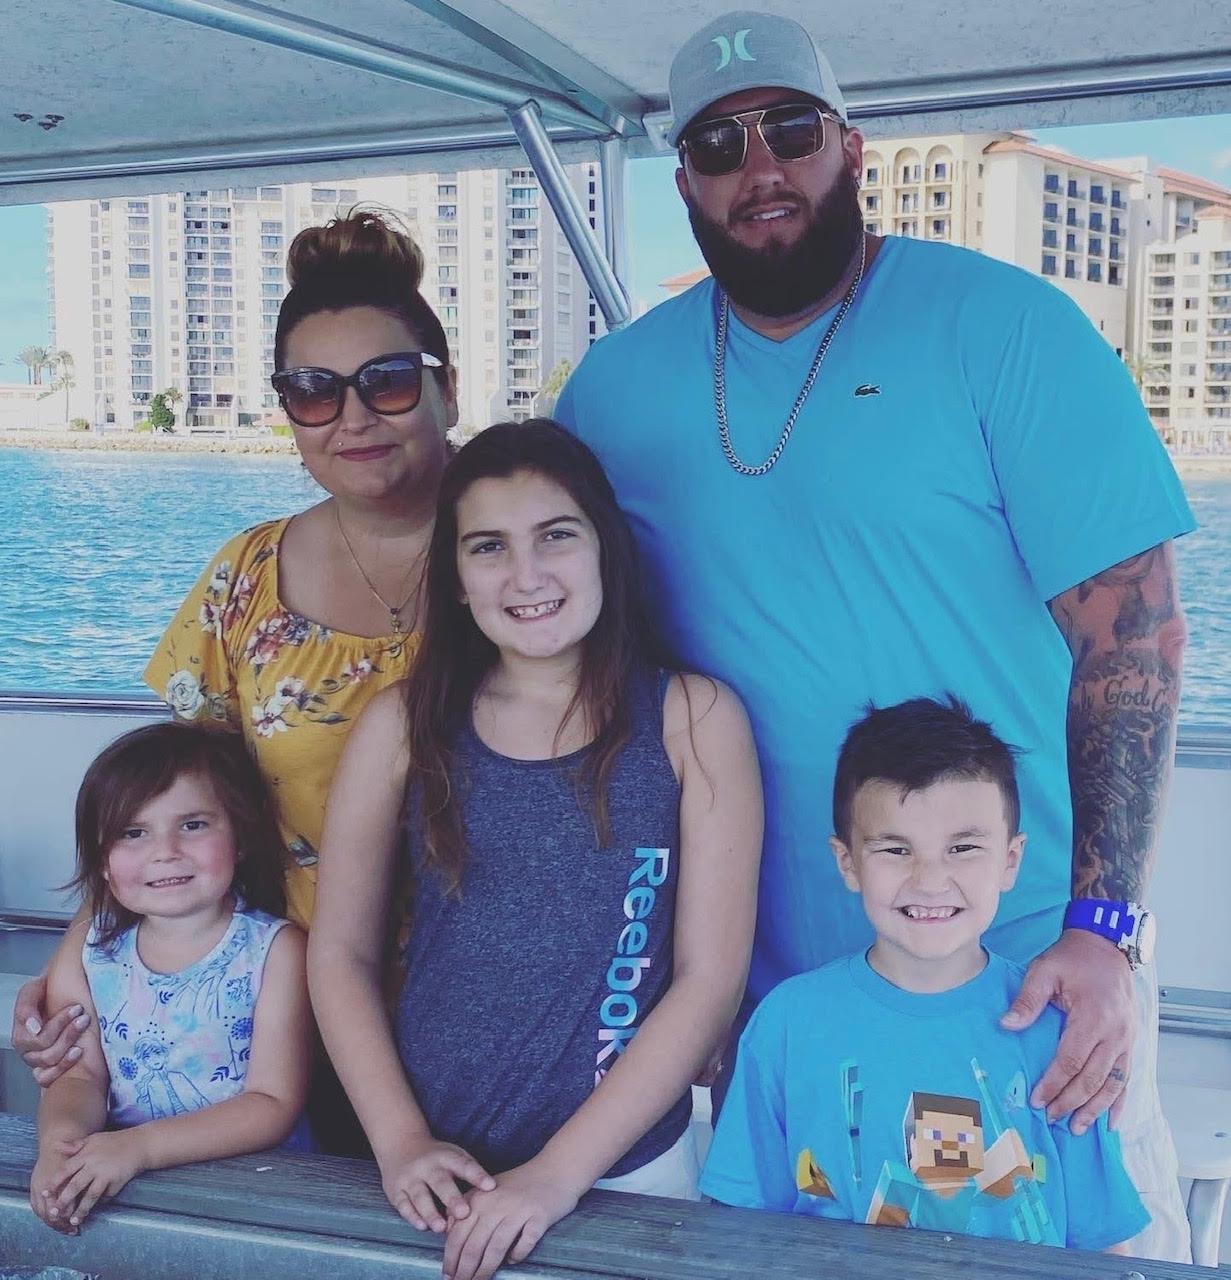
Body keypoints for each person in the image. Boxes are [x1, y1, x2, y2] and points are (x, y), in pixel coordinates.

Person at [554, 9, 1194, 1260]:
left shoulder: (1007, 327)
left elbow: (1137, 640)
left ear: (851, 147)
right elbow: (559, 650)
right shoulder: (611, 389)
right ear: (682, 184)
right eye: (718, 145)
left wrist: (1103, 929)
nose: (760, 167)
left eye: (790, 130)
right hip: (774, 999)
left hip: (1025, 965)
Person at [13, 210, 456, 1145]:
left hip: (498, 998)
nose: (352, 418)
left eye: (386, 381)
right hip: (288, 1012)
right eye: (312, 391)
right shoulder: (245, 578)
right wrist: (72, 964)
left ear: (444, 390)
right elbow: (171, 791)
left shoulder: (525, 566)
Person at [308, 419, 763, 1280]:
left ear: (605, 549)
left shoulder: (693, 719)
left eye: (556, 535)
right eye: (488, 547)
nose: (526, 575)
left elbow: (709, 983)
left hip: (627, 1168)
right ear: (455, 578)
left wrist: (556, 1176)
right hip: (434, 1175)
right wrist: (399, 1141)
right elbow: (339, 955)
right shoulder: (402, 725)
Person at [702, 697, 1150, 1252]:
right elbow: (740, 1225)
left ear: (1010, 861)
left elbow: (1102, 1245)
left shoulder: (1059, 1031)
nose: (930, 879)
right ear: (848, 862)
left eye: (963, 848)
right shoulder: (786, 1022)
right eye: (896, 849)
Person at [29, 723, 310, 1233]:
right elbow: (78, 1075)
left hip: (259, 1194)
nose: (166, 851)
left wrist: (140, 1148)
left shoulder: (277, 950)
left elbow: (272, 1103)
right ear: (102, 861)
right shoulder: (88, 950)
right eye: (133, 833)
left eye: (193, 825)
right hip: (130, 1185)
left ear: (241, 837)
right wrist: (61, 1147)